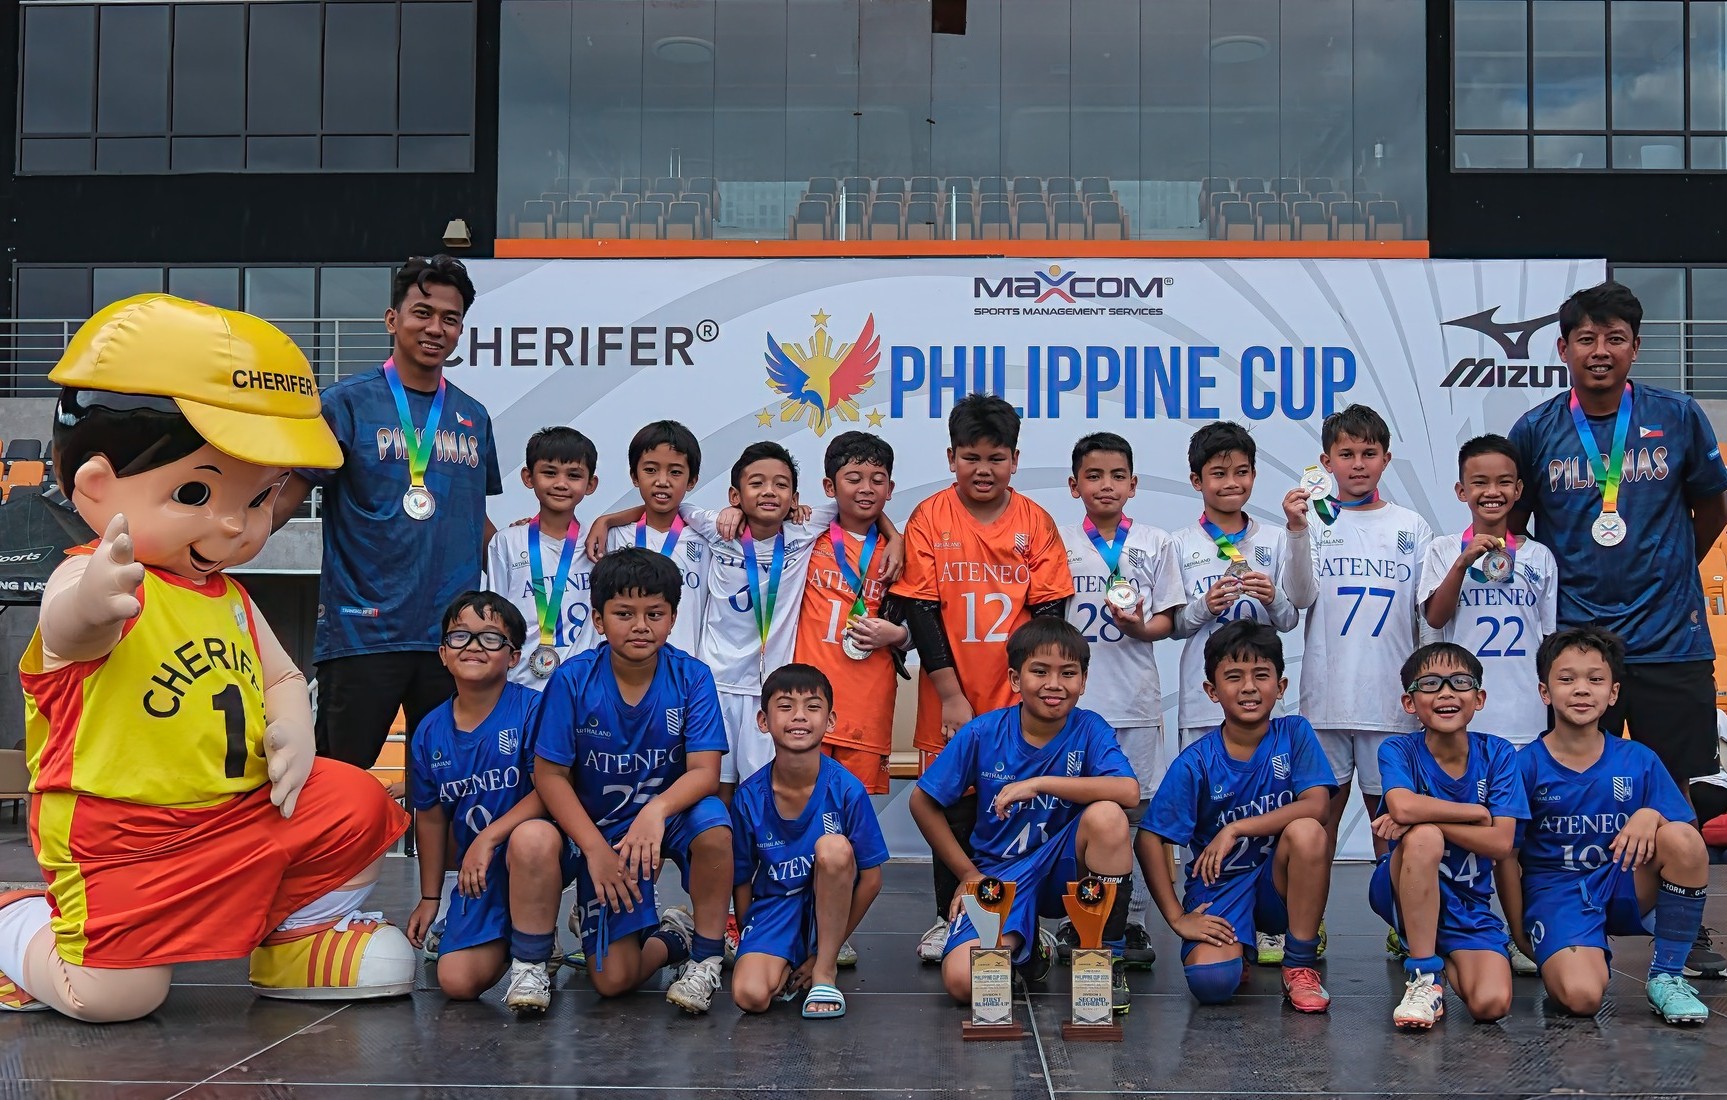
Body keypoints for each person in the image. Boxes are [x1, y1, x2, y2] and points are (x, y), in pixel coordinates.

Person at [0, 296, 412, 1020]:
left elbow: (282, 673)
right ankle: (17, 929)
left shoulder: (229, 597)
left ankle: (294, 942)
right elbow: (71, 631)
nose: (234, 524)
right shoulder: (90, 572)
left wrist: (293, 726)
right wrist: (95, 597)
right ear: (98, 485)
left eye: (257, 499)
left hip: (235, 814)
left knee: (354, 804)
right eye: (196, 491)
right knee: (118, 998)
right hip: (124, 837)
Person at [1508, 281, 1727, 978]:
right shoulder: (1535, 430)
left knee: (1682, 792)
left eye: (1614, 339)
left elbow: (1710, 507)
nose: (1599, 352)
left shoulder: (1678, 416)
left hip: (1670, 642)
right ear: (1562, 348)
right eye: (1585, 339)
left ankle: (1684, 936)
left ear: (1634, 346)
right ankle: (1555, 916)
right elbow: (1516, 534)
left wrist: (1669, 575)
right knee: (1566, 788)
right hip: (1578, 650)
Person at [274, 255, 503, 772]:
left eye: (450, 319)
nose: (436, 328)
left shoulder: (473, 416)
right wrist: (222, 547)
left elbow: (473, 517)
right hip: (363, 634)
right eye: (422, 313)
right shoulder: (345, 405)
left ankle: (440, 861)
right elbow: (289, 494)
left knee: (448, 787)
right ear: (391, 319)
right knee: (337, 784)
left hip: (452, 638)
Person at [892, 394, 1075, 964]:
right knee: (953, 805)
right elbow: (921, 609)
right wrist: (949, 693)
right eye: (971, 457)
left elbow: (1051, 612)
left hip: (1012, 696)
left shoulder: (1035, 523)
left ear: (1015, 459)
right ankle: (947, 918)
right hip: (951, 696)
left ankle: (1024, 913)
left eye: (996, 458)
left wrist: (1036, 688)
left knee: (1016, 803)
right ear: (951, 457)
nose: (983, 469)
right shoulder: (930, 518)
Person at [529, 548, 734, 1015]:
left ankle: (704, 957)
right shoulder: (573, 679)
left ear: (672, 618)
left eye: (654, 613)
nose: (640, 625)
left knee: (715, 825)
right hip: (599, 831)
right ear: (599, 620)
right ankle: (672, 939)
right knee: (613, 981)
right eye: (624, 613)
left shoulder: (692, 676)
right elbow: (550, 775)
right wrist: (597, 852)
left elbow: (706, 771)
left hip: (665, 819)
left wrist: (656, 811)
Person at [910, 619, 1139, 1014]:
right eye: (1040, 671)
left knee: (1108, 817)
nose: (1055, 684)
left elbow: (1128, 792)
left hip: (1061, 868)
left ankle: (1107, 957)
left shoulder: (1090, 728)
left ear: (1083, 682)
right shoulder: (983, 732)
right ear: (1016, 679)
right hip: (1000, 876)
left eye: (1068, 673)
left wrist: (1042, 783)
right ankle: (1030, 949)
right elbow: (922, 801)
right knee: (963, 983)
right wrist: (967, 873)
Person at [1500, 626, 1711, 1025]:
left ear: (1613, 693)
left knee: (1682, 838)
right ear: (1545, 692)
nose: (1582, 689)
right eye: (1567, 679)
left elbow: (1684, 832)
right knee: (1581, 999)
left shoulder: (1638, 758)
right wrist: (1519, 931)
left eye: (1595, 679)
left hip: (1624, 882)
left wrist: (1651, 815)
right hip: (1558, 892)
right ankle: (1574, 949)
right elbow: (1507, 855)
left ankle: (1667, 975)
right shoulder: (1523, 765)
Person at [1168, 421, 1318, 965]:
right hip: (1201, 697)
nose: (1231, 483)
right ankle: (1207, 899)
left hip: (1253, 696)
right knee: (1205, 809)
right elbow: (1174, 623)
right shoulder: (1180, 544)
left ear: (1253, 475)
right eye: (1217, 474)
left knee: (1268, 804)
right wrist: (1201, 608)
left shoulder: (1275, 538)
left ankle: (1273, 916)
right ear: (1196, 480)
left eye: (1240, 472)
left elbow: (1290, 614)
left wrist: (1272, 594)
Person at [1142, 621, 1335, 1012]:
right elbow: (1149, 838)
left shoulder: (1294, 733)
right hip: (1221, 888)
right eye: (1233, 677)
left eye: (1261, 675)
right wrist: (1177, 918)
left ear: (1280, 687)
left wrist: (1236, 827)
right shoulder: (1197, 761)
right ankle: (1237, 948)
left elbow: (1317, 805)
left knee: (1308, 832)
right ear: (1212, 692)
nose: (1249, 687)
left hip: (1276, 887)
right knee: (1213, 984)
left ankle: (1299, 965)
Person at [404, 593, 577, 1014]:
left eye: (490, 638)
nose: (474, 646)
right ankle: (521, 937)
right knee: (457, 981)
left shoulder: (533, 710)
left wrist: (488, 837)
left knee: (531, 837)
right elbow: (428, 818)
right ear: (443, 654)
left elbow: (552, 789)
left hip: (542, 853)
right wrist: (430, 898)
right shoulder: (429, 731)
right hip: (480, 874)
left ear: (514, 656)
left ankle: (533, 957)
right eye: (460, 636)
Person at [1056, 431, 1184, 967]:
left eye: (1116, 476)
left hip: (1133, 701)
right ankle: (1076, 917)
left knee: (1134, 812)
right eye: (1093, 476)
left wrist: (1139, 625)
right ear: (1074, 485)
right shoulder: (1059, 543)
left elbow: (1172, 620)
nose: (1105, 486)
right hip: (1073, 705)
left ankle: (1128, 923)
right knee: (1076, 814)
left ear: (1133, 484)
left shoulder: (1155, 543)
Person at [1368, 642, 1526, 1030]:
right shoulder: (1398, 749)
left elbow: (1502, 843)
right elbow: (1403, 808)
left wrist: (1429, 817)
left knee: (1492, 1004)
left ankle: (1443, 954)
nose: (1446, 693)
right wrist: (1477, 813)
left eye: (1459, 682)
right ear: (1410, 702)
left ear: (1479, 697)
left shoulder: (1499, 754)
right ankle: (1423, 975)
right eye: (1431, 684)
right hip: (1401, 885)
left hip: (1469, 905)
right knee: (1423, 839)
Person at [1301, 404, 1432, 870]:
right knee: (1317, 826)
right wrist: (1298, 530)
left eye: (1369, 453)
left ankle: (1401, 919)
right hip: (1327, 700)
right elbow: (1297, 597)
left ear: (1386, 459)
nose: (1358, 463)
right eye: (1347, 453)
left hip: (1390, 703)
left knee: (1392, 824)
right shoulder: (1312, 521)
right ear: (1326, 461)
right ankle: (1306, 925)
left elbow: (1429, 614)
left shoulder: (1410, 526)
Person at [729, 664, 888, 1019]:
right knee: (750, 996)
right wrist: (749, 940)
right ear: (763, 720)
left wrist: (823, 954)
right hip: (774, 910)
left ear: (830, 720)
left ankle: (823, 973)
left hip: (828, 908)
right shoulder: (748, 797)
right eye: (785, 706)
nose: (799, 716)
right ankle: (784, 960)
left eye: (812, 706)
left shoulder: (846, 789)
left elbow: (872, 879)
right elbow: (740, 878)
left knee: (832, 848)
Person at [1418, 434, 1558, 747]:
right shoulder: (1443, 550)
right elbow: (1436, 619)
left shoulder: (1540, 556)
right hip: (1462, 714)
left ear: (1518, 490)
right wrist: (1462, 564)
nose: (1492, 492)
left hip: (1526, 713)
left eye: (1504, 482)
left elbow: (1548, 639)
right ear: (1461, 491)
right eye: (1480, 483)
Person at [792, 432, 907, 799]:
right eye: (853, 478)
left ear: (890, 488)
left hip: (867, 703)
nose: (866, 488)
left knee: (854, 813)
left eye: (877, 480)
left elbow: (923, 622)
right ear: (830, 485)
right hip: (807, 701)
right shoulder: (807, 535)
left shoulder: (903, 553)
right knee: (800, 807)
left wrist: (898, 636)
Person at [483, 427, 600, 687]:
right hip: (521, 685)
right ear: (528, 477)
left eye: (574, 475)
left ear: (590, 484)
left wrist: (608, 520)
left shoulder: (598, 543)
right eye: (549, 473)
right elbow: (494, 620)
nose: (561, 483)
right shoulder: (506, 542)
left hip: (584, 687)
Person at [596, 420, 712, 656]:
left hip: (684, 671)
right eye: (650, 470)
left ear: (692, 480)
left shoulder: (707, 540)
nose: (662, 481)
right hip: (625, 670)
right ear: (634, 476)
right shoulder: (613, 537)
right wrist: (605, 521)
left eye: (675, 472)